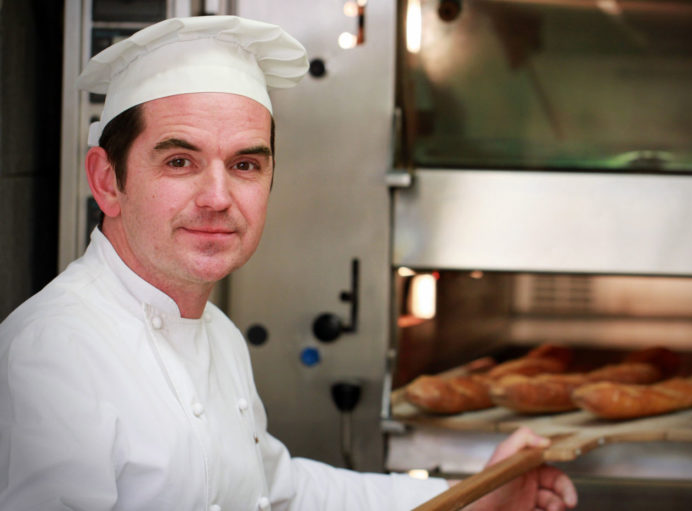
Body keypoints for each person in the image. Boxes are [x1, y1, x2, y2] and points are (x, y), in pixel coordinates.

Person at [0, 15, 577, 511]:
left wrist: (478, 494)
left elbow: (283, 494)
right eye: (180, 161)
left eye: (246, 165)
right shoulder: (51, 357)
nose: (218, 197)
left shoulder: (217, 336)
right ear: (107, 181)